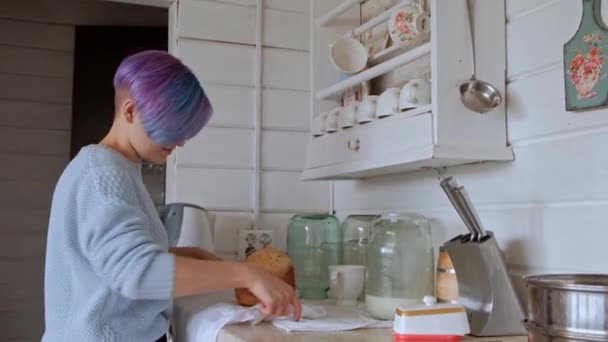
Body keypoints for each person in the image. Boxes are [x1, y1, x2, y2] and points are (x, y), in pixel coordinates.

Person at [42, 50, 301, 342]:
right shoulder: (103, 173)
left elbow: (107, 261)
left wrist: (193, 256)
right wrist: (248, 275)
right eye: (171, 129)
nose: (179, 141)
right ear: (130, 111)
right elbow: (135, 272)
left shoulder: (115, 170)